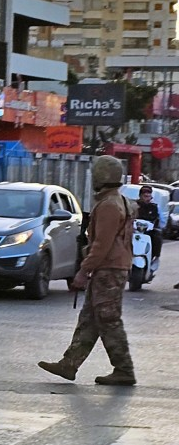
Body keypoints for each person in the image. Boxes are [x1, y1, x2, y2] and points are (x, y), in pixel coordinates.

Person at [39, 155, 136, 386]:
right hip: (110, 267)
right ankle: (69, 364)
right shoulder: (117, 200)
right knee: (90, 319)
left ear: (101, 177)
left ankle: (124, 369)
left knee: (108, 319)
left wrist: (83, 271)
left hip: (109, 269)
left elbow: (102, 244)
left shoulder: (109, 206)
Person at [135, 185, 162, 263]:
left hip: (148, 231)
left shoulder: (154, 207)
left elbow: (157, 219)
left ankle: (154, 256)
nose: (146, 198)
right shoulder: (134, 205)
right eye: (144, 196)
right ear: (140, 196)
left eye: (148, 196)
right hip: (135, 230)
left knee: (157, 235)